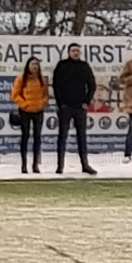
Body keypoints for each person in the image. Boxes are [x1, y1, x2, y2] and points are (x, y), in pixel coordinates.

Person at [51, 44, 97, 175]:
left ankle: (85, 164)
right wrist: (60, 103)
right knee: (62, 137)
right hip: (65, 107)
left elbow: (92, 85)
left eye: (77, 51)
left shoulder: (84, 66)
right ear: (68, 52)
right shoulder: (62, 65)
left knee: (82, 137)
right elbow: (56, 85)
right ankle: (60, 166)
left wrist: (86, 102)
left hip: (80, 107)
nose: (75, 53)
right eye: (73, 51)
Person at [10, 57, 49, 174]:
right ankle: (24, 165)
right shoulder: (21, 79)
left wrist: (42, 104)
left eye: (37, 64)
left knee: (37, 137)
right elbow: (15, 95)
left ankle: (35, 164)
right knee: (25, 137)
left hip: (38, 111)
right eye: (33, 64)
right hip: (25, 111)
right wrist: (24, 104)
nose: (35, 66)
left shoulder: (42, 80)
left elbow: (46, 95)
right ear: (28, 66)